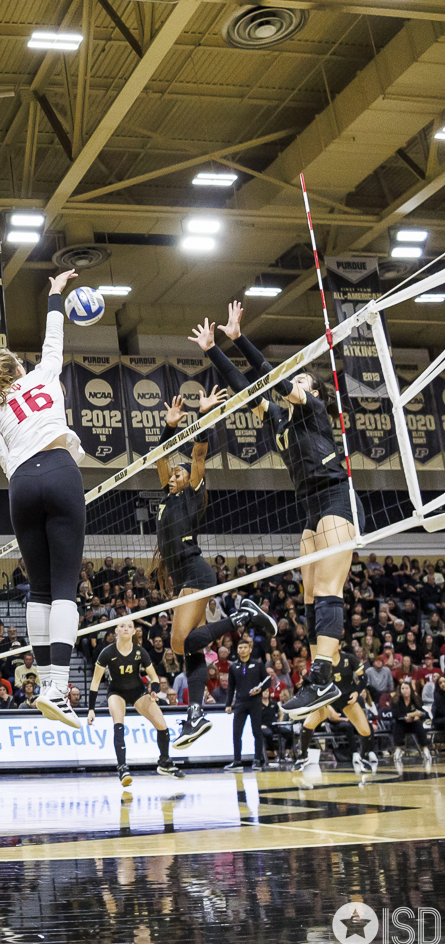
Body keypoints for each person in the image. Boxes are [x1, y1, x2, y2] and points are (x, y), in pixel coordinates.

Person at [197, 302, 356, 718]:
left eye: (301, 379)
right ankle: (319, 677)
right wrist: (213, 350)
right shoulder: (279, 421)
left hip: (335, 497)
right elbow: (247, 388)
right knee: (308, 597)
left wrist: (239, 339)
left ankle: (322, 678)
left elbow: (273, 377)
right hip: (309, 508)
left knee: (328, 590)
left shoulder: (313, 410)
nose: (294, 381)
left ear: (312, 392)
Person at [0, 269, 84, 730]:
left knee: (40, 589)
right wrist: (55, 293)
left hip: (22, 485)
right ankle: (58, 687)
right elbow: (54, 337)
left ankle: (46, 682)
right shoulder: (44, 374)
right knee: (65, 587)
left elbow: (7, 463)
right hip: (59, 470)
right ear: (21, 370)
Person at [153, 389, 278, 749]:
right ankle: (195, 715)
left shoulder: (192, 492)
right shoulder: (166, 496)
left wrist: (204, 416)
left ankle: (243, 616)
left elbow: (198, 454)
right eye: (172, 474)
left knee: (179, 642)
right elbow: (161, 457)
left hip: (196, 571)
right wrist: (168, 427)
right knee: (192, 648)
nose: (173, 475)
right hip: (182, 578)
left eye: (178, 473)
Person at [86, 618, 182, 785]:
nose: (125, 628)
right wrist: (91, 709)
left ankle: (164, 762)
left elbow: (154, 677)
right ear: (116, 630)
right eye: (122, 626)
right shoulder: (107, 652)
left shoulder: (140, 652)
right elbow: (95, 682)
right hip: (116, 692)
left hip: (138, 691)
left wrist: (154, 691)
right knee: (118, 723)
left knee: (161, 724)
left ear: (133, 632)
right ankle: (122, 768)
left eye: (129, 626)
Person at [297, 647, 378, 778]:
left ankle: (363, 758)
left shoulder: (349, 658)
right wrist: (305, 679)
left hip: (346, 699)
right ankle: (302, 757)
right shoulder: (322, 661)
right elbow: (314, 683)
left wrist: (356, 691)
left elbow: (363, 677)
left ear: (339, 645)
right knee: (307, 724)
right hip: (328, 700)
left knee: (365, 730)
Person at [224, 639, 272, 771]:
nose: (242, 650)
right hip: (240, 703)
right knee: (236, 732)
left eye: (245, 647)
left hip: (255, 703)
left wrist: (260, 690)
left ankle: (257, 760)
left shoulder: (258, 664)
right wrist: (228, 704)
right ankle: (237, 761)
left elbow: (267, 681)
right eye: (240, 648)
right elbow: (230, 686)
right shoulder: (233, 666)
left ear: (250, 649)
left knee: (257, 731)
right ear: (237, 650)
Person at [391, 681, 429, 763]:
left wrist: (417, 716)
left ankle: (425, 749)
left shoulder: (415, 699)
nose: (404, 690)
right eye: (402, 688)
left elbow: (424, 713)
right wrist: (411, 714)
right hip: (401, 723)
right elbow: (396, 715)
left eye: (407, 688)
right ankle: (398, 749)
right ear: (400, 690)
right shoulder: (396, 700)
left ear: (410, 689)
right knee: (397, 725)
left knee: (419, 725)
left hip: (413, 723)